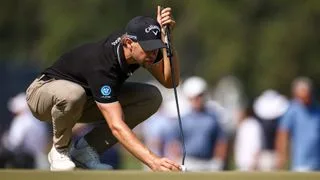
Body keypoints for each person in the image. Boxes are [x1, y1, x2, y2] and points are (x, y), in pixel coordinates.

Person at [26, 6, 182, 171]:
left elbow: (170, 81)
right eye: (148, 47)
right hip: (42, 94)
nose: (153, 53)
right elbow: (116, 125)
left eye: (156, 46)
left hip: (82, 101)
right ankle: (60, 150)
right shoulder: (103, 64)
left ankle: (85, 151)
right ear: (128, 43)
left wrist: (167, 39)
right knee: (74, 94)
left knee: (151, 97)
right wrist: (153, 161)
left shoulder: (141, 53)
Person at [167, 76, 228, 171]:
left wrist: (219, 161)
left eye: (199, 96)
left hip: (209, 163)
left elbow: (221, 142)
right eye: (194, 97)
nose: (197, 100)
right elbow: (174, 143)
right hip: (188, 162)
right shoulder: (182, 119)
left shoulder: (213, 118)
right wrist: (176, 160)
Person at [276, 77, 320, 171]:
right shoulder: (292, 110)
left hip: (317, 161)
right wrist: (282, 156)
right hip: (301, 163)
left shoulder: (317, 110)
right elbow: (283, 133)